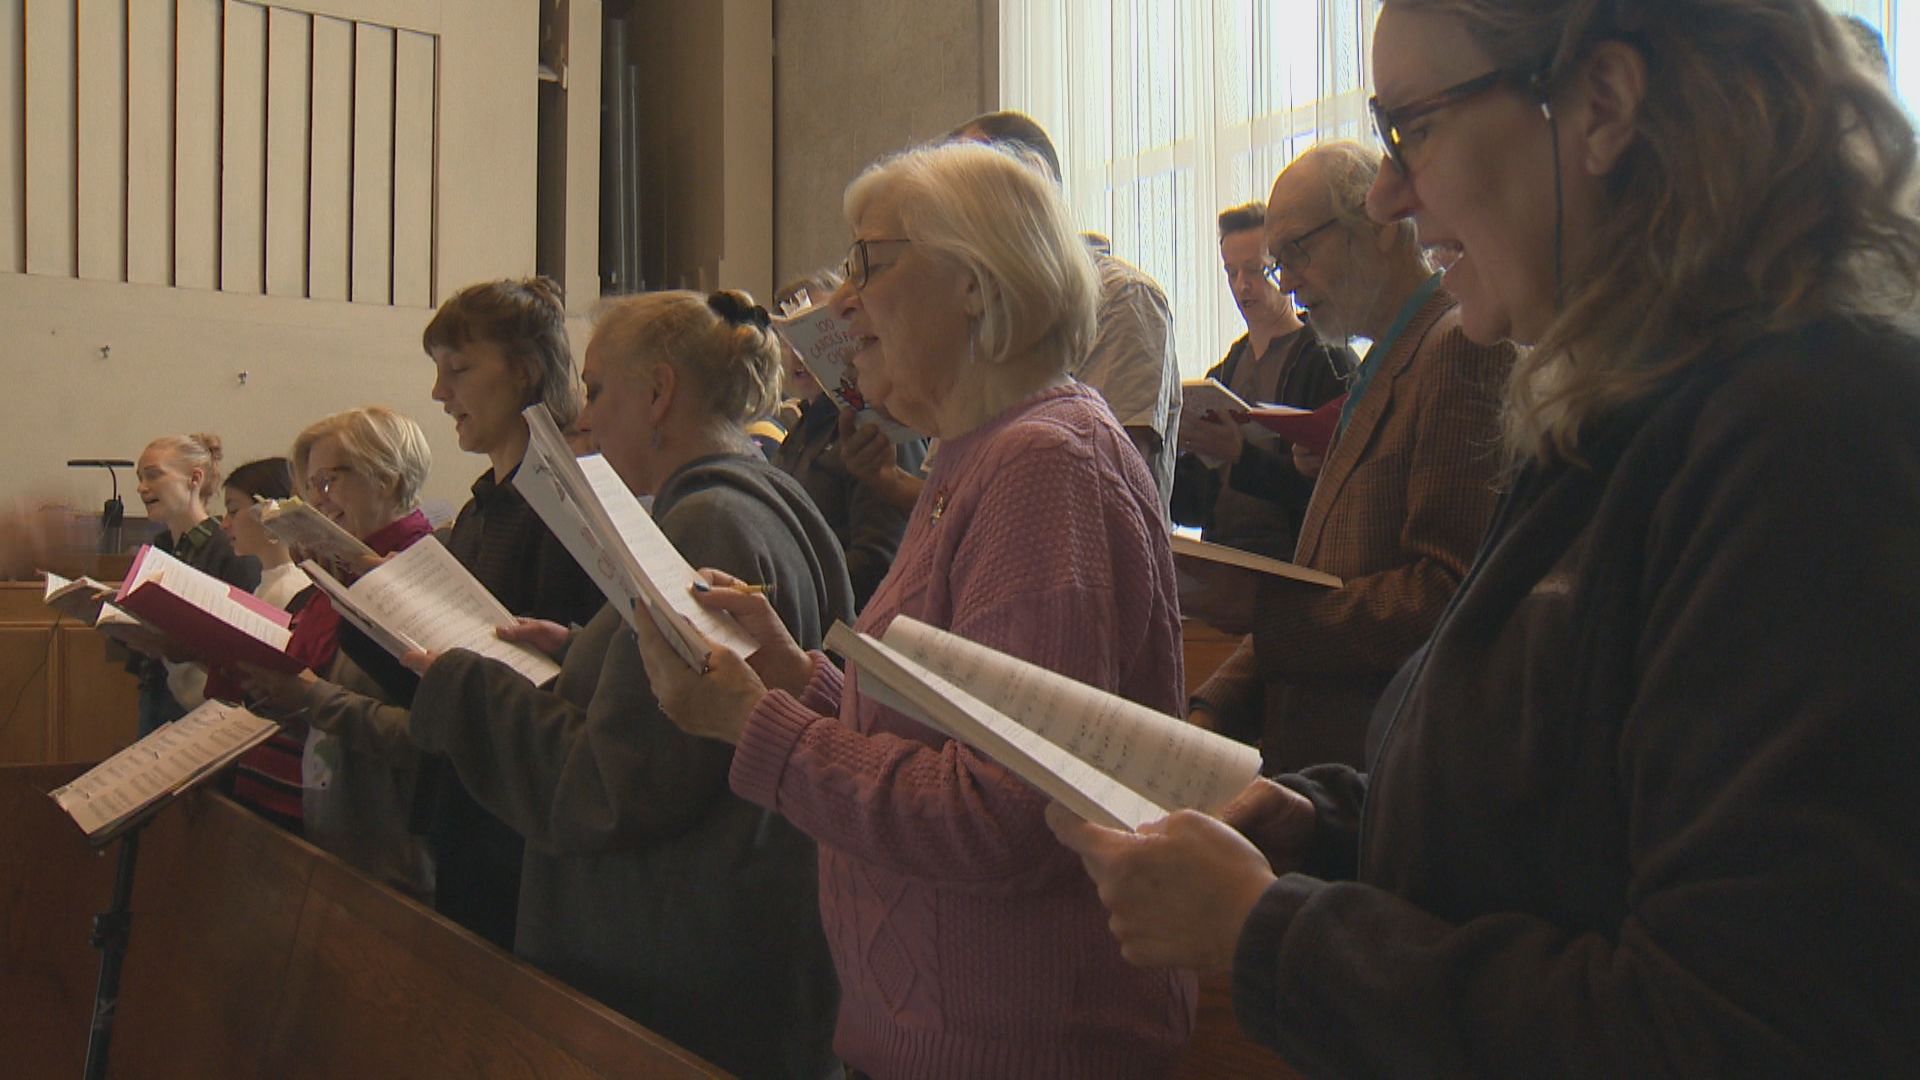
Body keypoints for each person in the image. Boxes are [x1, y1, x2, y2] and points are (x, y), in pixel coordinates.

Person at [1052, 0, 1920, 1073]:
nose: (1389, 192)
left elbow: (1735, 1027)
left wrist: (1270, 933)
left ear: (1601, 105)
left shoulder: (1812, 436)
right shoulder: (1629, 403)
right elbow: (1563, 794)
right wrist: (1325, 826)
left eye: (1414, 127)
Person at [632, 142, 1195, 1077]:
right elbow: (935, 734)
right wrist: (793, 675)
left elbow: (998, 811)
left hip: (1017, 1041)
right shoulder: (978, 457)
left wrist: (753, 725)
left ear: (975, 283)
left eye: (868, 263)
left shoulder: (1044, 467)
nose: (841, 303)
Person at [384, 290, 848, 1078]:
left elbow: (613, 785)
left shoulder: (703, 523)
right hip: (743, 944)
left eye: (598, 390)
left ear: (660, 392)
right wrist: (579, 652)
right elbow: (690, 713)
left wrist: (461, 684)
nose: (585, 415)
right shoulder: (772, 499)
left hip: (676, 967)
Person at [1185, 142, 1515, 771]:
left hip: (1379, 773)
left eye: (1297, 253)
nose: (1287, 281)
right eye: (1277, 264)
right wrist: (1215, 708)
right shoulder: (1383, 363)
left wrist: (1264, 614)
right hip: (1322, 771)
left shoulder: (1460, 347)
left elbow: (1449, 594)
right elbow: (1322, 577)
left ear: (1382, 227)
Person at [843, 111, 1185, 520]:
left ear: (1028, 188)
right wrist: (890, 478)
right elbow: (959, 504)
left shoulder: (1125, 298)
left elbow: (1090, 500)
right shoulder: (974, 356)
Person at [412, 277, 606, 947]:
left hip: (527, 832)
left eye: (458, 370)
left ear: (525, 372)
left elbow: (580, 689)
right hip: (469, 807)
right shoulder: (478, 513)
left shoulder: (573, 509)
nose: (441, 395)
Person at [241, 407, 440, 897]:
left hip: (398, 854)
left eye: (329, 481)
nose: (315, 501)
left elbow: (433, 738)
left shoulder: (425, 577)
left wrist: (310, 697)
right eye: (310, 486)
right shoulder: (336, 572)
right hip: (337, 828)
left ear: (389, 477)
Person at [1171, 201, 1355, 558]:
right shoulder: (1221, 375)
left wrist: (1240, 455)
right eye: (1231, 272)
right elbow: (1194, 506)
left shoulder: (1329, 362)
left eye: (1254, 271)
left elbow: (1335, 495)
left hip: (1292, 568)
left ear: (1280, 269)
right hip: (1222, 565)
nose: (1242, 286)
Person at [770, 268, 928, 610]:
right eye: (789, 340)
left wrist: (783, 589)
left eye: (815, 334)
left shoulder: (878, 424)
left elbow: (879, 561)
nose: (800, 356)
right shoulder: (802, 429)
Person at [204, 457, 314, 833]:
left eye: (234, 510)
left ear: (270, 514)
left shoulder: (296, 590)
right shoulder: (264, 586)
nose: (225, 523)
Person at [128, 433, 260, 735]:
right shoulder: (157, 549)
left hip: (204, 701)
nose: (141, 487)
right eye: (139, 478)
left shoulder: (228, 547)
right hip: (156, 688)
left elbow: (237, 639)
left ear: (194, 479)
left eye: (153, 475)